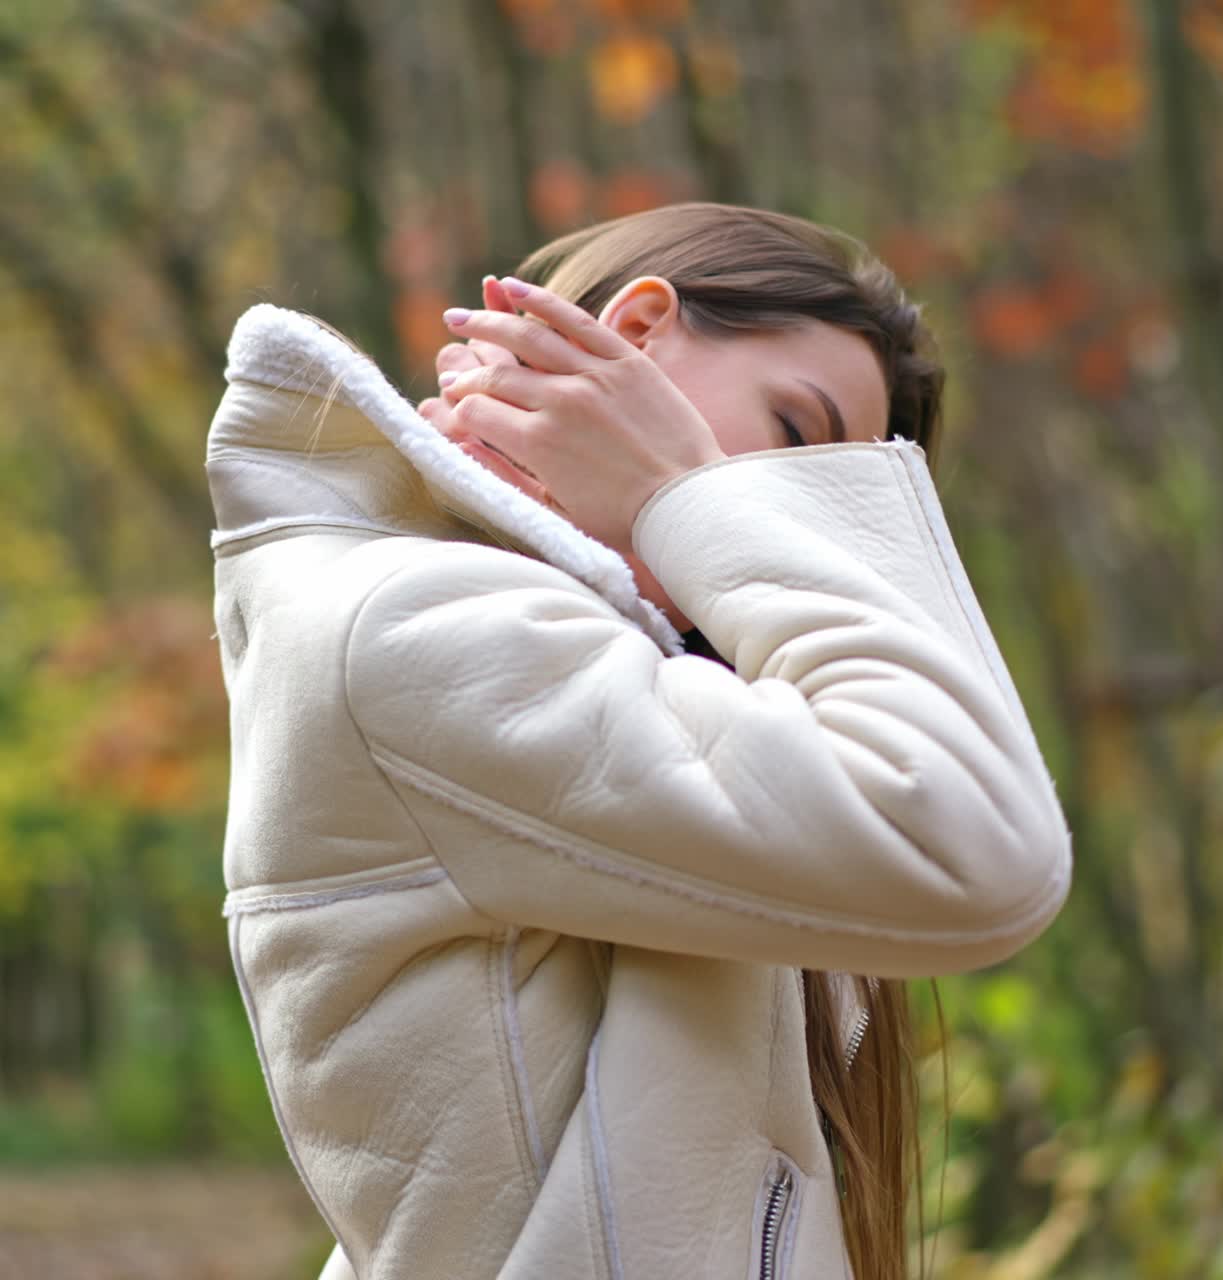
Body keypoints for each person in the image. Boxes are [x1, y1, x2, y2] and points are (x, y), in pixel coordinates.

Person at [206, 202, 1071, 1280]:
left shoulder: (598, 664)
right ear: (640, 330)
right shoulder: (418, 623)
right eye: (794, 437)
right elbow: (978, 847)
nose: (778, 519)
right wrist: (677, 488)